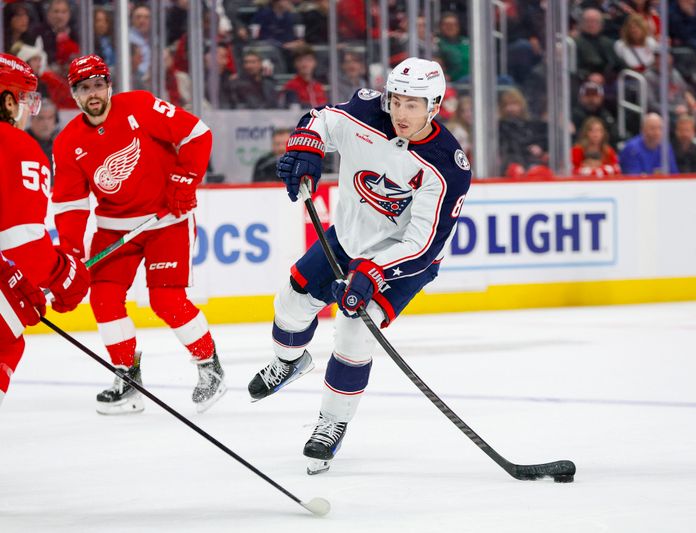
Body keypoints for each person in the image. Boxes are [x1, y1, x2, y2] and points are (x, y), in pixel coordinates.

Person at [247, 57, 472, 475]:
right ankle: (289, 361)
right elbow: (321, 119)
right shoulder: (367, 111)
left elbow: (423, 243)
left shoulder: (447, 165)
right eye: (397, 100)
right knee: (290, 302)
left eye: (413, 105)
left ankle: (331, 423)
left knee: (353, 328)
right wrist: (306, 149)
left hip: (402, 260)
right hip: (349, 236)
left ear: (435, 105)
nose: (401, 113)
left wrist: (374, 272)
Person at [50, 55, 226, 414]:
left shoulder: (142, 106)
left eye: (98, 84)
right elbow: (70, 203)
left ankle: (210, 367)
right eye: (84, 88)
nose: (93, 93)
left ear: (109, 85)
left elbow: (197, 134)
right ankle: (128, 378)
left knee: (166, 301)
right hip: (113, 228)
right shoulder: (67, 142)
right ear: (74, 95)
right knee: (103, 298)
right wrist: (70, 250)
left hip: (167, 221)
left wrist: (183, 181)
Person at [0, 53, 90, 407]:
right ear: (7, 100)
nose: (27, 112)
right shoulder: (15, 145)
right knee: (7, 332)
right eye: (24, 100)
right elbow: (22, 242)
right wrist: (63, 277)